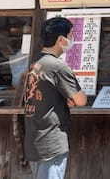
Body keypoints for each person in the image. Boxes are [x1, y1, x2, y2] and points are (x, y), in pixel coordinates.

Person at [23, 17, 87, 179]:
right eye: (71, 35)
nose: (72, 40)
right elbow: (80, 100)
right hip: (51, 141)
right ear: (60, 39)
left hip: (34, 138)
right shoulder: (57, 66)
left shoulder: (36, 63)